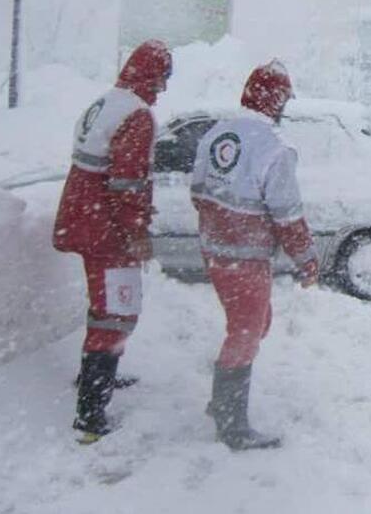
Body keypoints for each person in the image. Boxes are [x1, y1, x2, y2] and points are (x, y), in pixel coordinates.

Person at [190, 59, 319, 450]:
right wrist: (306, 259)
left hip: (214, 251)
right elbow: (288, 215)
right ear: (276, 100)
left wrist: (219, 227)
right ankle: (231, 424)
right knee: (246, 331)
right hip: (245, 258)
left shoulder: (216, 133)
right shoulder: (275, 149)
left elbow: (198, 191)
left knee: (256, 324)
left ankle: (222, 401)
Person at [53, 39, 172, 443]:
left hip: (83, 218)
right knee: (117, 312)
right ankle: (90, 415)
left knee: (104, 307)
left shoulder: (105, 102)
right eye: (163, 78)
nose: (163, 88)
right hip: (107, 229)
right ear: (150, 75)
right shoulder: (137, 115)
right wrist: (136, 233)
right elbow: (127, 184)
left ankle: (96, 376)